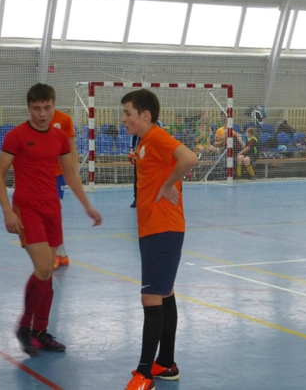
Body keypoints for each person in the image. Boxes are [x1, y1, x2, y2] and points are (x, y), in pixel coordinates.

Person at [0, 83, 102, 357]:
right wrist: (7, 211)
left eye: (47, 108)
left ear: (54, 106)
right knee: (43, 267)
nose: (42, 114)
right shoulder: (17, 136)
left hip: (52, 208)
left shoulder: (59, 137)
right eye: (36, 108)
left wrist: (87, 205)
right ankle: (24, 327)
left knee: (48, 272)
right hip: (27, 208)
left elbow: (70, 173)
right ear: (29, 108)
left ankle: (40, 331)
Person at [120, 89, 198, 390]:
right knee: (164, 293)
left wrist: (168, 185)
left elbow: (189, 157)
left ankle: (144, 375)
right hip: (154, 227)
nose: (123, 118)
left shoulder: (156, 137)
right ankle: (165, 363)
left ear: (145, 115)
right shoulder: (144, 142)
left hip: (163, 228)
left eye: (128, 113)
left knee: (151, 297)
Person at [50, 109, 78, 269]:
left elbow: (71, 147)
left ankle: (55, 253)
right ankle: (61, 254)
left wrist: (73, 172)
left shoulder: (64, 119)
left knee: (52, 213)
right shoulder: (34, 120)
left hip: (57, 173)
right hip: (40, 173)